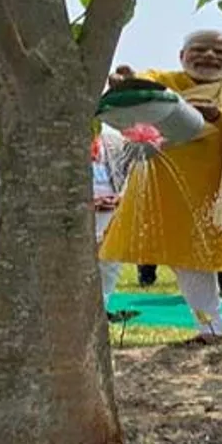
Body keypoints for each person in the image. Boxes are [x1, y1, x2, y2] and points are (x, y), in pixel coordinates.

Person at [100, 30, 222, 345]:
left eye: (220, 52)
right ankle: (209, 330)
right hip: (177, 186)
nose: (210, 56)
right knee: (187, 256)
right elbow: (141, 89)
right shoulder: (163, 81)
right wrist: (127, 82)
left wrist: (219, 115)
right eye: (199, 49)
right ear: (182, 56)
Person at [89, 124, 132, 314]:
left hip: (111, 210)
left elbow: (131, 173)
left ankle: (101, 307)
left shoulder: (115, 140)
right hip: (81, 213)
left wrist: (121, 197)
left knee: (109, 261)